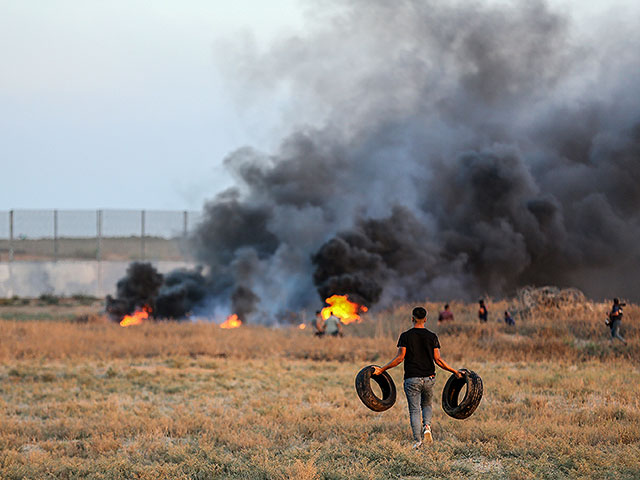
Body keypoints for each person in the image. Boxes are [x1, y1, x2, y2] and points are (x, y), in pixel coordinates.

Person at [373, 307, 462, 449]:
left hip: (412, 379)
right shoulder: (432, 336)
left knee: (414, 410)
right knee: (426, 405)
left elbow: (400, 358)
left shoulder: (405, 336)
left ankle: (418, 442)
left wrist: (381, 370)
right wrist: (454, 371)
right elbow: (438, 360)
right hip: (429, 378)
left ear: (412, 318)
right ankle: (427, 426)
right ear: (426, 319)